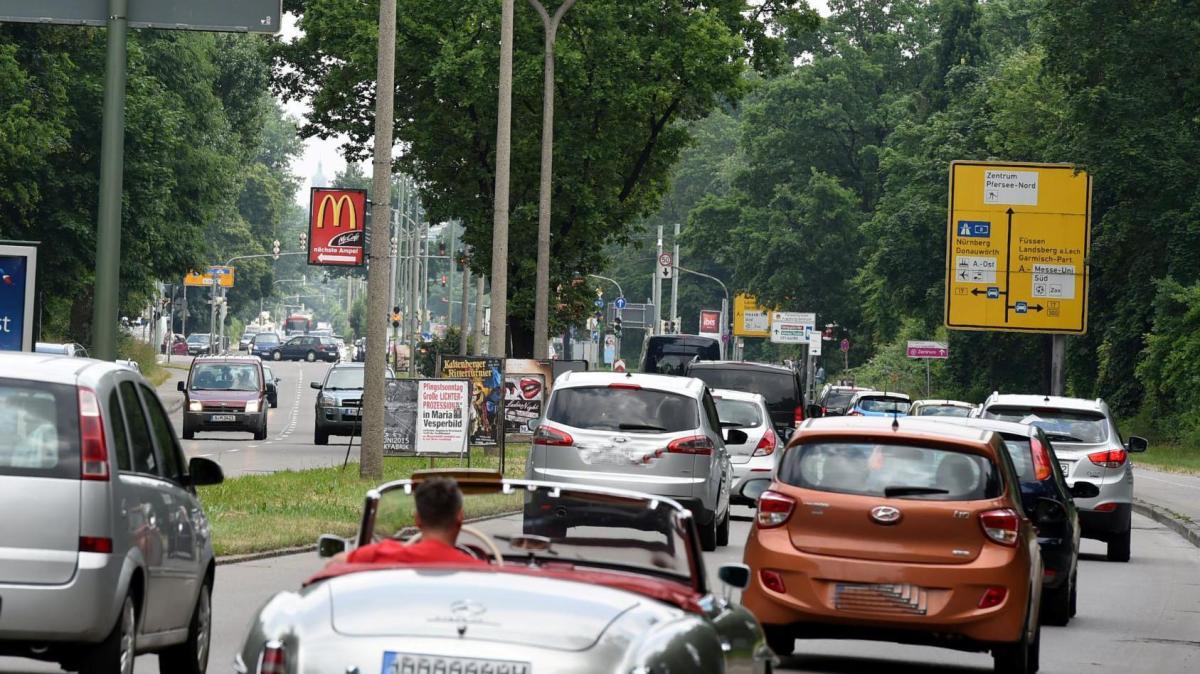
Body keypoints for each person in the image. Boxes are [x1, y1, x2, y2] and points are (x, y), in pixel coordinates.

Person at [330, 477, 484, 566]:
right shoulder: (480, 572)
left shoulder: (384, 554)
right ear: (460, 517)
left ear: (418, 519)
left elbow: (334, 564)